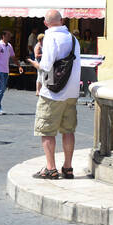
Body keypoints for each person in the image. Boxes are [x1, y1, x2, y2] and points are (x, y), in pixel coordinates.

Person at [32, 10, 82, 180]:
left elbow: (46, 65)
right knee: (68, 130)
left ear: (45, 24)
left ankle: (51, 168)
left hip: (52, 93)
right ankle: (68, 167)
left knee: (47, 130)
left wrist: (35, 65)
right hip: (72, 92)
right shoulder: (73, 39)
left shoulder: (50, 38)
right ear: (62, 21)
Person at [0, 30, 15, 116]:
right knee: (0, 89)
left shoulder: (9, 46)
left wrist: (19, 65)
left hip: (5, 70)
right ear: (3, 36)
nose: (10, 37)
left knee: (2, 89)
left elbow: (13, 56)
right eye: (8, 35)